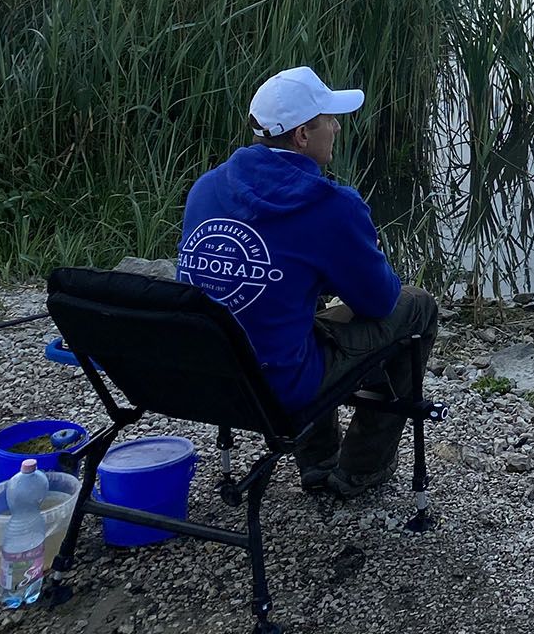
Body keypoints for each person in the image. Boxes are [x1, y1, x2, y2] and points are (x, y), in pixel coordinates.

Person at [177, 66, 438, 498]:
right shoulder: (331, 206)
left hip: (205, 374)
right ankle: (358, 469)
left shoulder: (207, 187)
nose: (337, 127)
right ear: (301, 136)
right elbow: (380, 303)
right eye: (329, 119)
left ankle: (316, 459)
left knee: (298, 307)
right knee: (417, 305)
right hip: (275, 384)